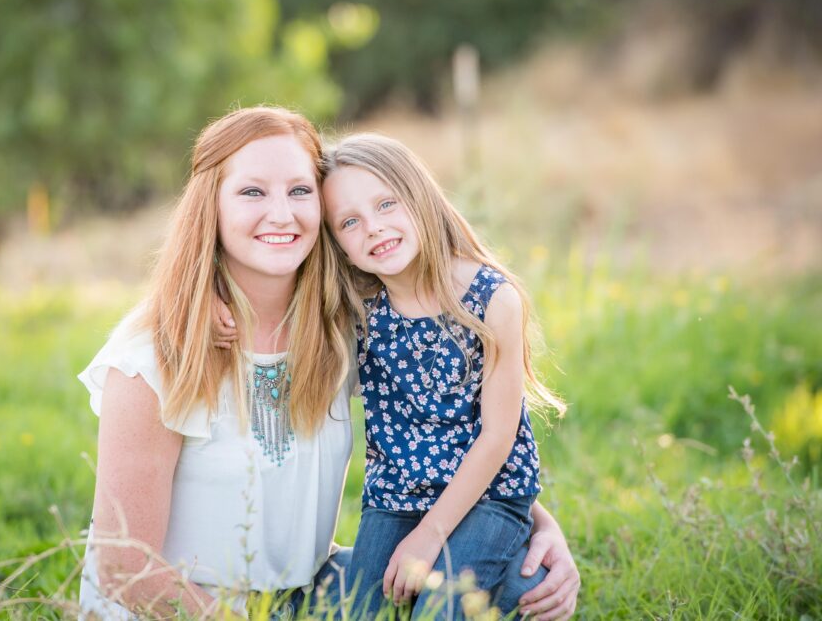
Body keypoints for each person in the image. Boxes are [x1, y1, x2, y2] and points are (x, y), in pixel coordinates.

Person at [79, 106, 579, 619]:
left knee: (522, 585)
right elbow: (124, 568)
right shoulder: (151, 356)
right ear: (211, 208)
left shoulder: (344, 328)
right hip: (182, 608)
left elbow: (445, 427)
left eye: (299, 192)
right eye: (253, 192)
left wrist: (536, 524)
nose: (281, 214)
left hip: (298, 596)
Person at [314, 133, 569, 619]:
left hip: (491, 497)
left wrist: (430, 535)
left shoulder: (490, 299)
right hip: (396, 495)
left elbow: (498, 437)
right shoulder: (358, 307)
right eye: (350, 222)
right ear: (338, 245)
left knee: (438, 608)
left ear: (420, 197)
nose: (373, 228)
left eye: (386, 203)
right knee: (363, 612)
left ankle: (505, 570)